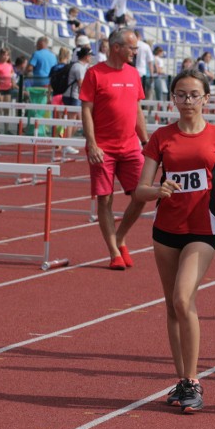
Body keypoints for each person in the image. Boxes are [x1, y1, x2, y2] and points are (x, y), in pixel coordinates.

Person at [135, 68, 215, 414]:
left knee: (184, 298)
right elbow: (141, 189)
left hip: (203, 228)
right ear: (173, 98)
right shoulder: (161, 137)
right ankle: (182, 379)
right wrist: (159, 190)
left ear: (206, 99)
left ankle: (195, 380)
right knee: (172, 305)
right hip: (166, 229)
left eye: (193, 95)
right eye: (180, 95)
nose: (187, 101)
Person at [80, 28, 149, 270]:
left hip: (130, 145)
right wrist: (91, 143)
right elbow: (86, 110)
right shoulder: (94, 74)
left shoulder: (133, 73)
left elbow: (137, 109)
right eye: (132, 48)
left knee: (142, 194)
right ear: (116, 47)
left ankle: (120, 237)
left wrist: (145, 141)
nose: (135, 52)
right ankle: (113, 251)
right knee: (105, 199)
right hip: (103, 148)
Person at [0, 46, 14, 134]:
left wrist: (13, 84)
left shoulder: (10, 66)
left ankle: (6, 128)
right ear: (0, 56)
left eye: (7, 55)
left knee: (7, 109)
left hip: (8, 89)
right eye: (3, 55)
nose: (5, 57)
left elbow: (12, 77)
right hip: (0, 89)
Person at [134, 29, 153, 99]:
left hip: (132, 71)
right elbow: (150, 61)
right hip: (142, 72)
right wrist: (151, 75)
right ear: (140, 36)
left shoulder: (130, 45)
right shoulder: (145, 46)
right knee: (143, 93)